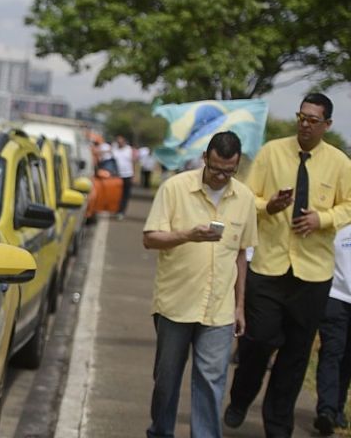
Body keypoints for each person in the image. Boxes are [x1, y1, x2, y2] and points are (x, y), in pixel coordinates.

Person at [225, 93, 351, 437]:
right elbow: (248, 198)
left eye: (313, 120)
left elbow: (349, 205)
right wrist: (272, 207)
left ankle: (278, 425)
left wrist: (322, 219)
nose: (305, 124)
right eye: (302, 116)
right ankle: (240, 398)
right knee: (258, 341)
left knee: (296, 356)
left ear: (326, 125)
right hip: (269, 267)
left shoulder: (340, 163)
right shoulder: (272, 153)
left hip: (313, 273)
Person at [143, 131, 258, 438]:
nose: (221, 177)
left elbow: (241, 256)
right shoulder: (175, 188)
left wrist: (239, 306)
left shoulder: (245, 198)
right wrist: (187, 235)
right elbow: (150, 238)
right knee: (166, 381)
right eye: (216, 168)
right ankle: (160, 431)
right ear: (205, 158)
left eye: (229, 171)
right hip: (175, 304)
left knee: (211, 380)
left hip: (219, 308)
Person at [314, 224, 351, 436]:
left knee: (347, 358)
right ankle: (326, 411)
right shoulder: (339, 224)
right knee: (332, 352)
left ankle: (337, 407)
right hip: (336, 297)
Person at [112, 135, 135, 219]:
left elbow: (132, 162)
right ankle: (116, 209)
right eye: (118, 142)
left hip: (128, 175)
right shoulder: (114, 150)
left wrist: (133, 175)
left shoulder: (129, 150)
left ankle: (121, 212)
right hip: (117, 176)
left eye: (121, 141)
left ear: (124, 142)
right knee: (117, 194)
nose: (119, 143)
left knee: (125, 195)